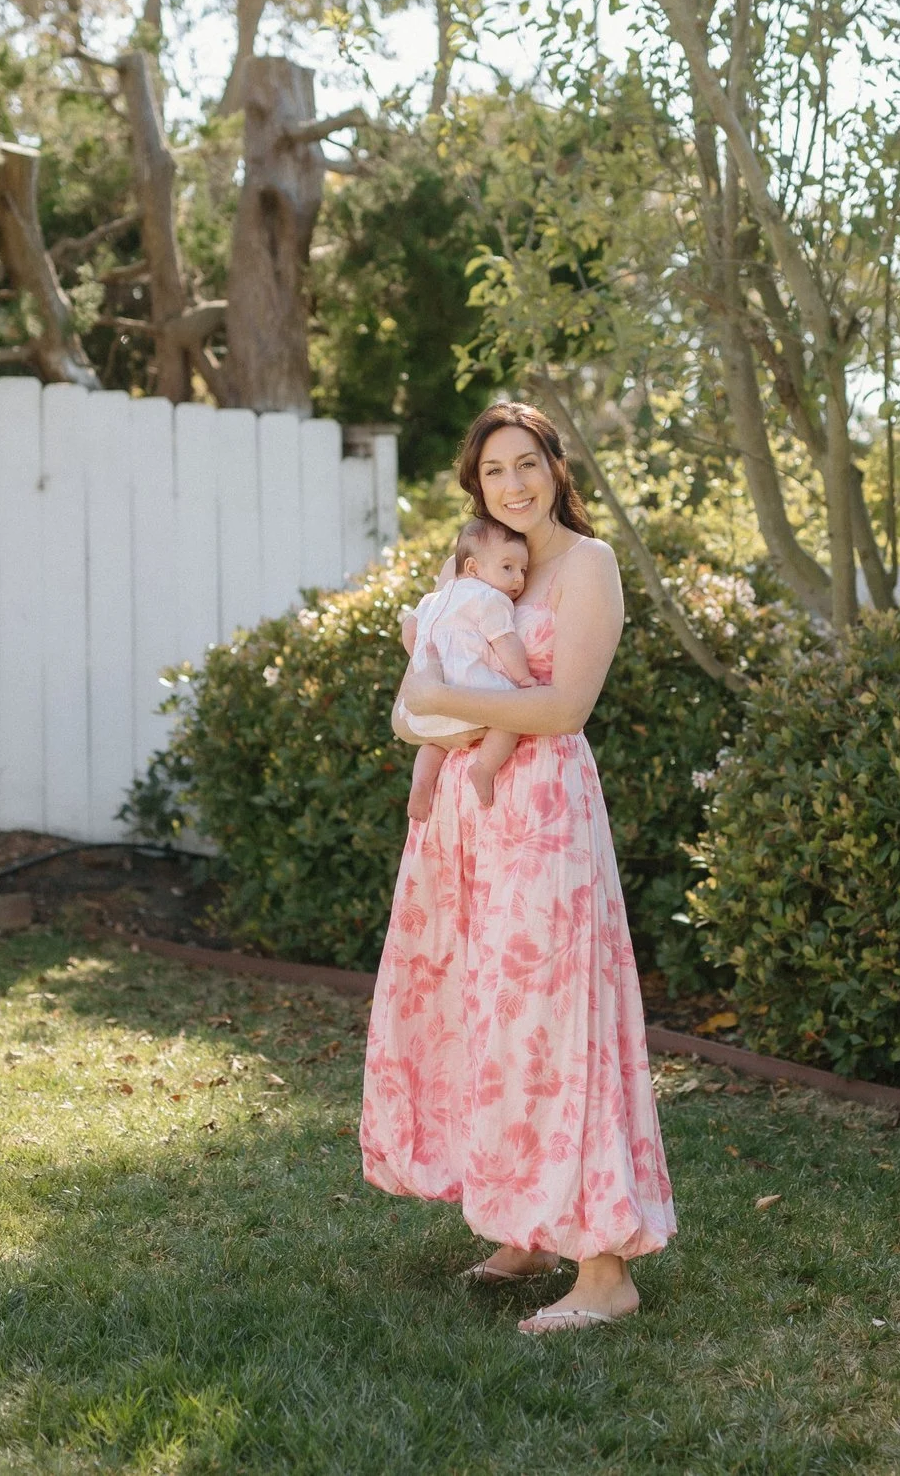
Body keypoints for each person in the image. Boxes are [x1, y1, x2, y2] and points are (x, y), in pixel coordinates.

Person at [361, 402, 676, 1334]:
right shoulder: (470, 563)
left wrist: (438, 694)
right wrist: (439, 704)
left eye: (527, 462)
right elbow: (405, 715)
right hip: (466, 825)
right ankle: (525, 1223)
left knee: (556, 1023)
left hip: (542, 820)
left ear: (555, 465)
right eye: (494, 470)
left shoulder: (589, 565)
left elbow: (563, 706)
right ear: (476, 486)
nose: (514, 483)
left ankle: (606, 1267)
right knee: (489, 1021)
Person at [397, 517, 534, 819]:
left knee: (434, 743)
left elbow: (409, 629)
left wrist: (421, 658)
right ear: (473, 568)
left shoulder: (434, 598)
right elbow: (505, 641)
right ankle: (484, 769)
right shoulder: (489, 598)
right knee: (511, 716)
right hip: (471, 691)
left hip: (430, 701)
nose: (518, 579)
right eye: (508, 567)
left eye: (523, 570)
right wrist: (523, 677)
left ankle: (421, 783)